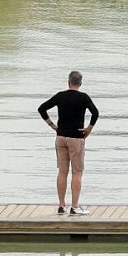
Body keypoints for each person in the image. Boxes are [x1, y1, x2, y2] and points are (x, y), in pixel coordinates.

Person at [38, 70, 99, 216]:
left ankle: (61, 205)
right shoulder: (83, 97)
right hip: (76, 138)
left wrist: (52, 125)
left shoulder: (60, 96)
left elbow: (42, 108)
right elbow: (95, 113)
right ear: (80, 83)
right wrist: (89, 129)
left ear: (68, 82)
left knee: (62, 171)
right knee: (77, 172)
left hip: (60, 137)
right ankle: (75, 207)